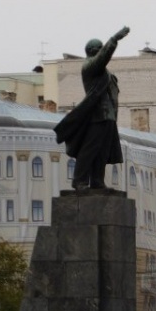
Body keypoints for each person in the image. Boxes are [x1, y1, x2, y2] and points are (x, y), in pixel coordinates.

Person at [54, 26, 130, 192]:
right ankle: (79, 181)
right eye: (100, 49)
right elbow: (102, 59)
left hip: (108, 117)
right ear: (92, 51)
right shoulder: (89, 66)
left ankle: (97, 181)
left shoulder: (104, 71)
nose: (102, 51)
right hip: (97, 115)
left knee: (102, 151)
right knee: (90, 148)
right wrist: (114, 39)